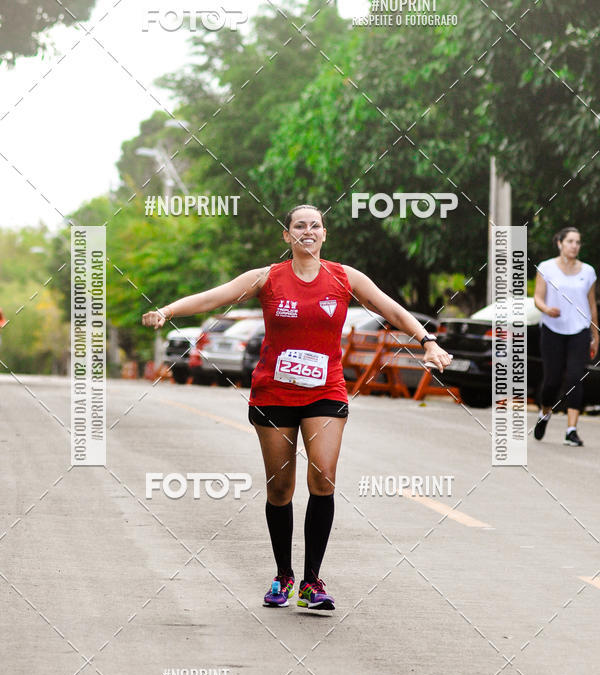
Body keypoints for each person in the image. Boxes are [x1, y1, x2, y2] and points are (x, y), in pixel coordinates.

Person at [142, 205, 453, 610]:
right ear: (287, 236)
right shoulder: (268, 278)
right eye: (299, 226)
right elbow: (214, 297)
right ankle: (283, 576)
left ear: (324, 234)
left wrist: (427, 341)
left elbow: (390, 309)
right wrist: (167, 311)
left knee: (323, 478)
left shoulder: (343, 277)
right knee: (280, 488)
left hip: (326, 391)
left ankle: (311, 582)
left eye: (315, 226)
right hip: (274, 394)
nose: (308, 231)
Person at [533, 226, 598, 446]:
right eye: (570, 241)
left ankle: (571, 430)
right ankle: (544, 413)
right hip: (552, 330)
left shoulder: (588, 271)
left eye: (578, 242)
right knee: (551, 381)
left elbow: (591, 305)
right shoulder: (546, 268)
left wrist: (595, 334)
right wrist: (546, 309)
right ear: (560, 243)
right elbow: (538, 298)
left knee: (574, 378)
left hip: (579, 331)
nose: (574, 246)